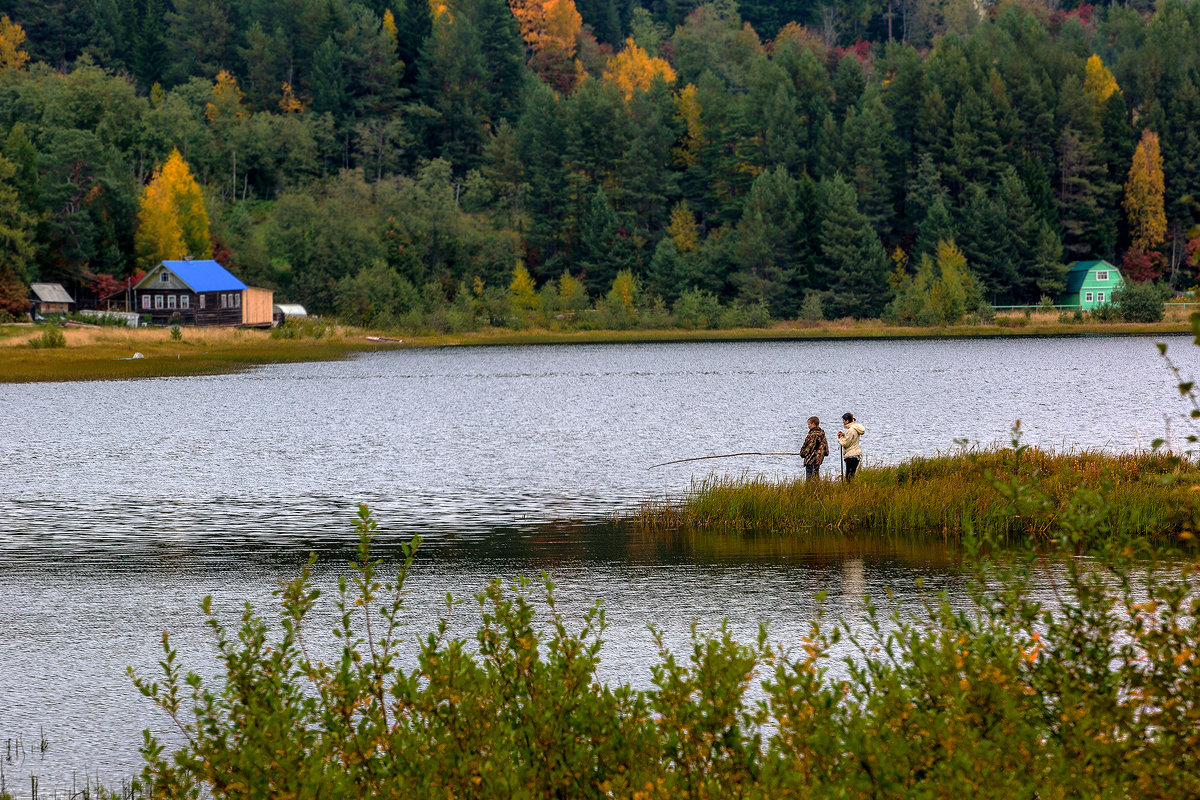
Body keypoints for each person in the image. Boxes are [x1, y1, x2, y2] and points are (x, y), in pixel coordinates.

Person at [837, 412, 865, 482]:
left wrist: (840, 439)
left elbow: (846, 443)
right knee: (852, 475)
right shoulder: (855, 428)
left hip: (851, 456)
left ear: (847, 421)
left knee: (848, 477)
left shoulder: (850, 430)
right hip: (856, 455)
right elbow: (852, 438)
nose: (843, 422)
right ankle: (852, 490)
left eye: (843, 420)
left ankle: (849, 490)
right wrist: (844, 435)